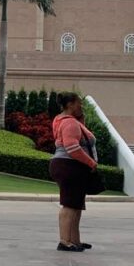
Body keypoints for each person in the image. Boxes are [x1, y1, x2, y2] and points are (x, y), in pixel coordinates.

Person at [49, 92, 98, 251]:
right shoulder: (69, 123)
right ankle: (65, 241)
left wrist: (81, 120)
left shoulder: (62, 120)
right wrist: (91, 162)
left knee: (76, 204)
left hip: (69, 166)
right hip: (69, 166)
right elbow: (72, 148)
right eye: (78, 103)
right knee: (69, 205)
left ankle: (75, 240)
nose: (81, 106)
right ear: (70, 104)